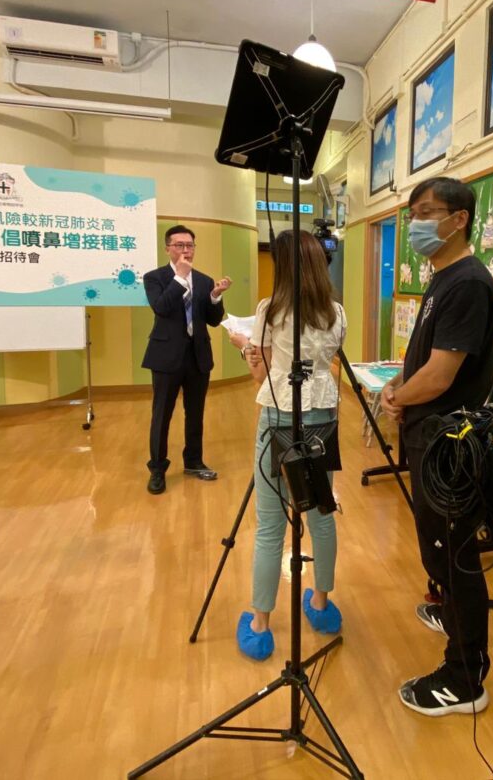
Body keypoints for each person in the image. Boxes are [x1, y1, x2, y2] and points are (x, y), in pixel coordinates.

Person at [379, 176, 493, 717]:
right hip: (428, 438)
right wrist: (397, 387)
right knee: (437, 548)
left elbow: (442, 375)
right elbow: (424, 360)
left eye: (427, 213)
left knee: (453, 555)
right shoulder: (442, 277)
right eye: (413, 215)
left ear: (459, 219)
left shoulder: (468, 282)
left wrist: (399, 397)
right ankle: (450, 613)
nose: (416, 225)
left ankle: (465, 675)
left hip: (449, 446)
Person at [230, 230, 346, 660]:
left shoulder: (270, 309)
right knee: (321, 517)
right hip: (323, 423)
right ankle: (322, 605)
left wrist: (245, 349)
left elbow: (262, 376)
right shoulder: (337, 312)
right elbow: (325, 363)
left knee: (270, 526)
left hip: (278, 422)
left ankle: (260, 625)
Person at [142, 224, 231, 495]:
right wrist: (180, 277)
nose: (185, 250)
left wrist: (215, 296)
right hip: (165, 357)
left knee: (195, 413)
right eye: (179, 245)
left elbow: (213, 321)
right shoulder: (154, 277)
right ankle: (158, 469)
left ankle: (193, 461)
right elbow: (161, 308)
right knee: (162, 415)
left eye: (189, 245)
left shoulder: (204, 280)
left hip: (197, 356)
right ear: (167, 248)